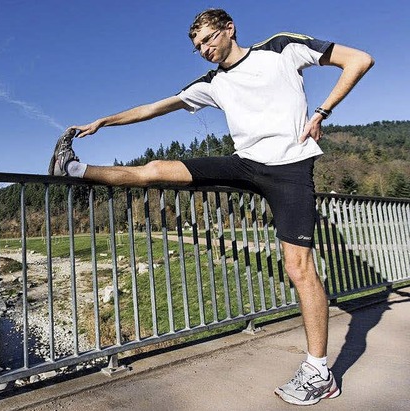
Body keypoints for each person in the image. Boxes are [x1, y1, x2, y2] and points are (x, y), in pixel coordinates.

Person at [48, 8, 373, 406]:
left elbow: (359, 60)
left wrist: (322, 112)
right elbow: (156, 107)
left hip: (289, 168)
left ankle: (319, 371)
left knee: (298, 267)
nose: (204, 49)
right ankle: (73, 168)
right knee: (154, 171)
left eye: (208, 39)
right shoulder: (213, 83)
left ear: (229, 29)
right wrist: (104, 122)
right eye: (198, 46)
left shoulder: (282, 48)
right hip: (244, 164)